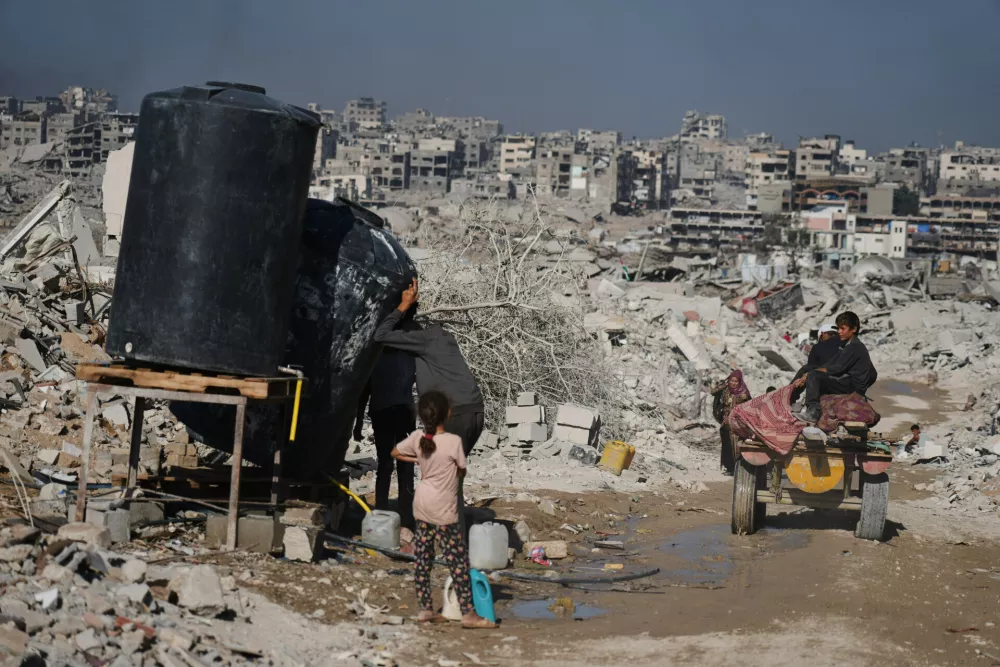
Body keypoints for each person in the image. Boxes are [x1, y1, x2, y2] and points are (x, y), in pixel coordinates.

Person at [391, 391, 496, 629]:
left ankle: (425, 610)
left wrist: (418, 460)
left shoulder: (418, 438)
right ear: (446, 414)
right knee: (457, 560)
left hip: (422, 504)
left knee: (422, 559)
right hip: (443, 508)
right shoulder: (453, 442)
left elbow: (395, 452)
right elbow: (461, 470)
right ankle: (469, 614)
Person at [354, 347, 417, 527]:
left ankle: (394, 512)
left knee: (392, 465)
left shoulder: (379, 355)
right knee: (394, 465)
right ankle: (396, 513)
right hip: (394, 412)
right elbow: (364, 392)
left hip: (391, 412)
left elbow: (364, 393)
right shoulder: (406, 355)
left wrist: (359, 422)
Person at [795, 311, 877, 424]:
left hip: (850, 386)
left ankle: (813, 411)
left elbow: (834, 369)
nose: (839, 332)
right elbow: (830, 364)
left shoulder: (854, 347)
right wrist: (807, 374)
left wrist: (860, 390)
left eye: (843, 329)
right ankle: (790, 397)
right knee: (808, 369)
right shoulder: (846, 345)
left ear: (853, 329)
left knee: (814, 375)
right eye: (838, 329)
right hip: (846, 382)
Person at [711, 370, 752, 475]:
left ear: (740, 382)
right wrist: (724, 384)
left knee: (736, 447)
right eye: (731, 380)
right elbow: (713, 392)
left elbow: (749, 407)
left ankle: (737, 469)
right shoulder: (726, 390)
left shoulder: (744, 392)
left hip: (737, 425)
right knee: (727, 446)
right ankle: (729, 468)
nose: (733, 383)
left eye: (735, 381)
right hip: (725, 423)